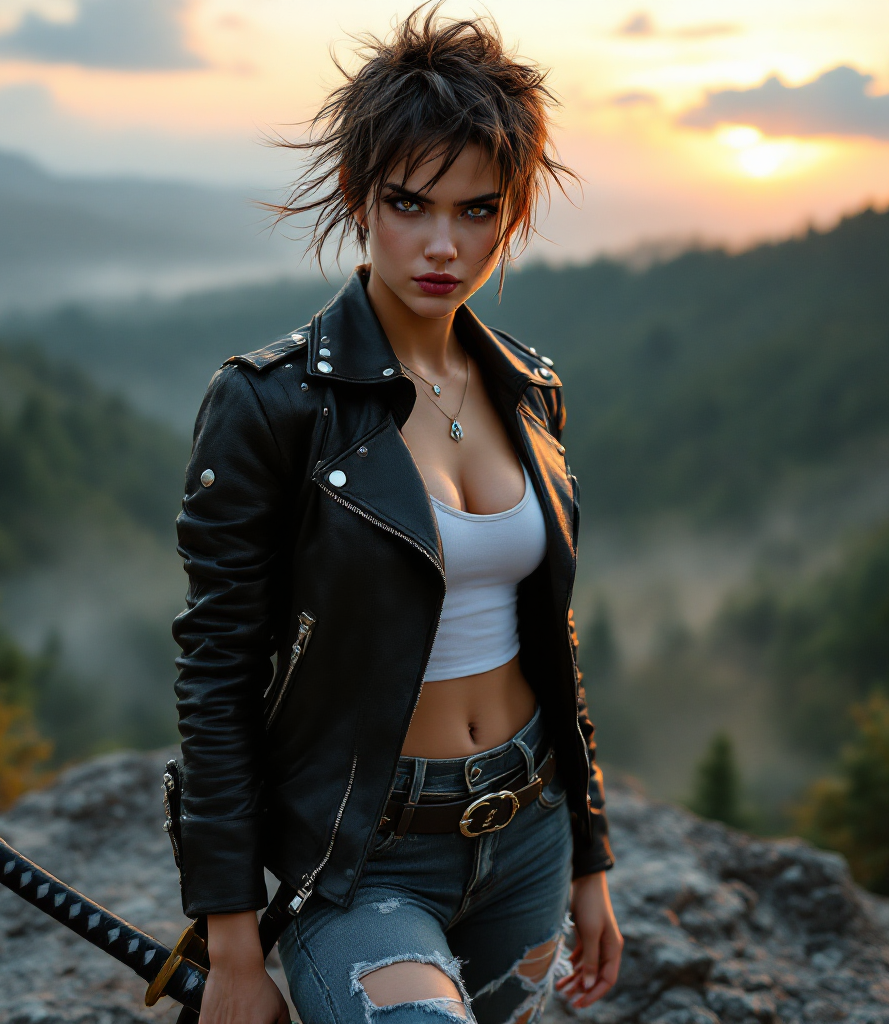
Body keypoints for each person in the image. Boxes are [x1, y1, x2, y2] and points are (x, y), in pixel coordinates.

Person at [173, 6, 623, 1022]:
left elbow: (550, 633)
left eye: (477, 210)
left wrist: (589, 855)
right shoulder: (270, 404)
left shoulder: (528, 388)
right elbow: (217, 670)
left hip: (528, 833)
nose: (441, 244)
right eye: (409, 202)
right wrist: (233, 940)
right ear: (356, 196)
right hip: (359, 857)